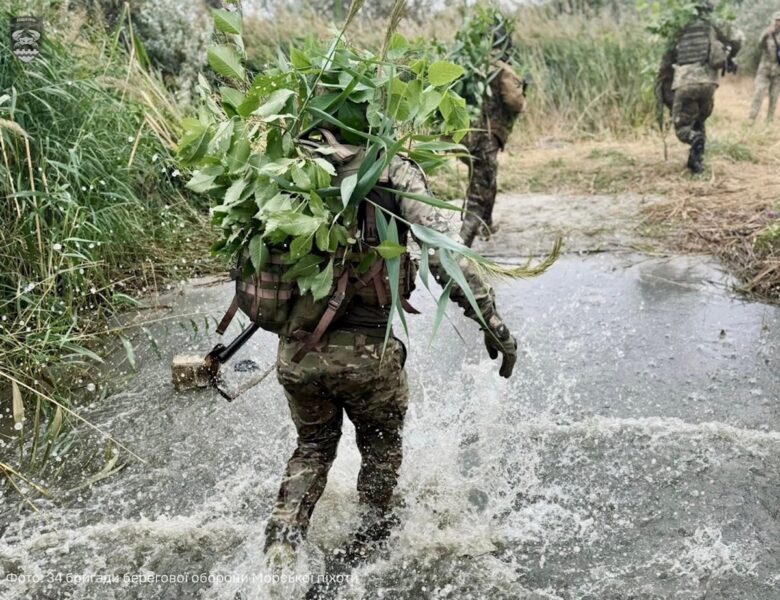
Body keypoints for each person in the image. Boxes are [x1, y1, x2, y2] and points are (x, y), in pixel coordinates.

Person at [262, 135, 519, 567]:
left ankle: (282, 544)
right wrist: (492, 324)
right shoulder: (390, 167)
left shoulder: (286, 160)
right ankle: (368, 548)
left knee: (313, 447)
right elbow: (443, 255)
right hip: (367, 358)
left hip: (298, 356)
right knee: (380, 447)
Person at [459, 17, 528, 247]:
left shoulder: (472, 65)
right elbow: (515, 102)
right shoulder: (502, 70)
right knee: (481, 190)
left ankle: (486, 225)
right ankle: (462, 245)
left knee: (485, 179)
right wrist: (522, 89)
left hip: (468, 137)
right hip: (485, 138)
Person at [667, 2, 743, 174]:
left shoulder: (679, 25)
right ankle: (696, 165)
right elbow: (738, 38)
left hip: (685, 81)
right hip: (709, 83)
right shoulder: (714, 24)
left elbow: (668, 56)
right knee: (699, 121)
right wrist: (731, 57)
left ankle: (694, 139)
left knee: (683, 128)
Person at [749, 12, 780, 123]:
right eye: (777, 20)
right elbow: (759, 46)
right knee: (759, 93)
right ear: (773, 21)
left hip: (777, 72)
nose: (778, 23)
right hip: (764, 70)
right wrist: (766, 34)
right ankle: (752, 118)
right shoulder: (767, 33)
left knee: (774, 97)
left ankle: (769, 120)